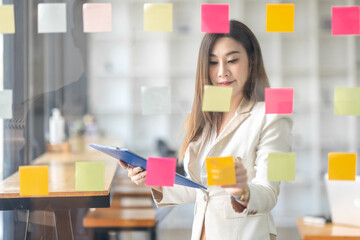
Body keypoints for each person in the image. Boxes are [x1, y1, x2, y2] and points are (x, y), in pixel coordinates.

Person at [120, 20, 292, 240]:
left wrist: (242, 192)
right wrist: (151, 176)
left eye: (232, 60)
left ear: (252, 61)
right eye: (212, 62)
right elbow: (201, 189)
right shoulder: (207, 116)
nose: (222, 72)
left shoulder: (271, 117)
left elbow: (269, 193)